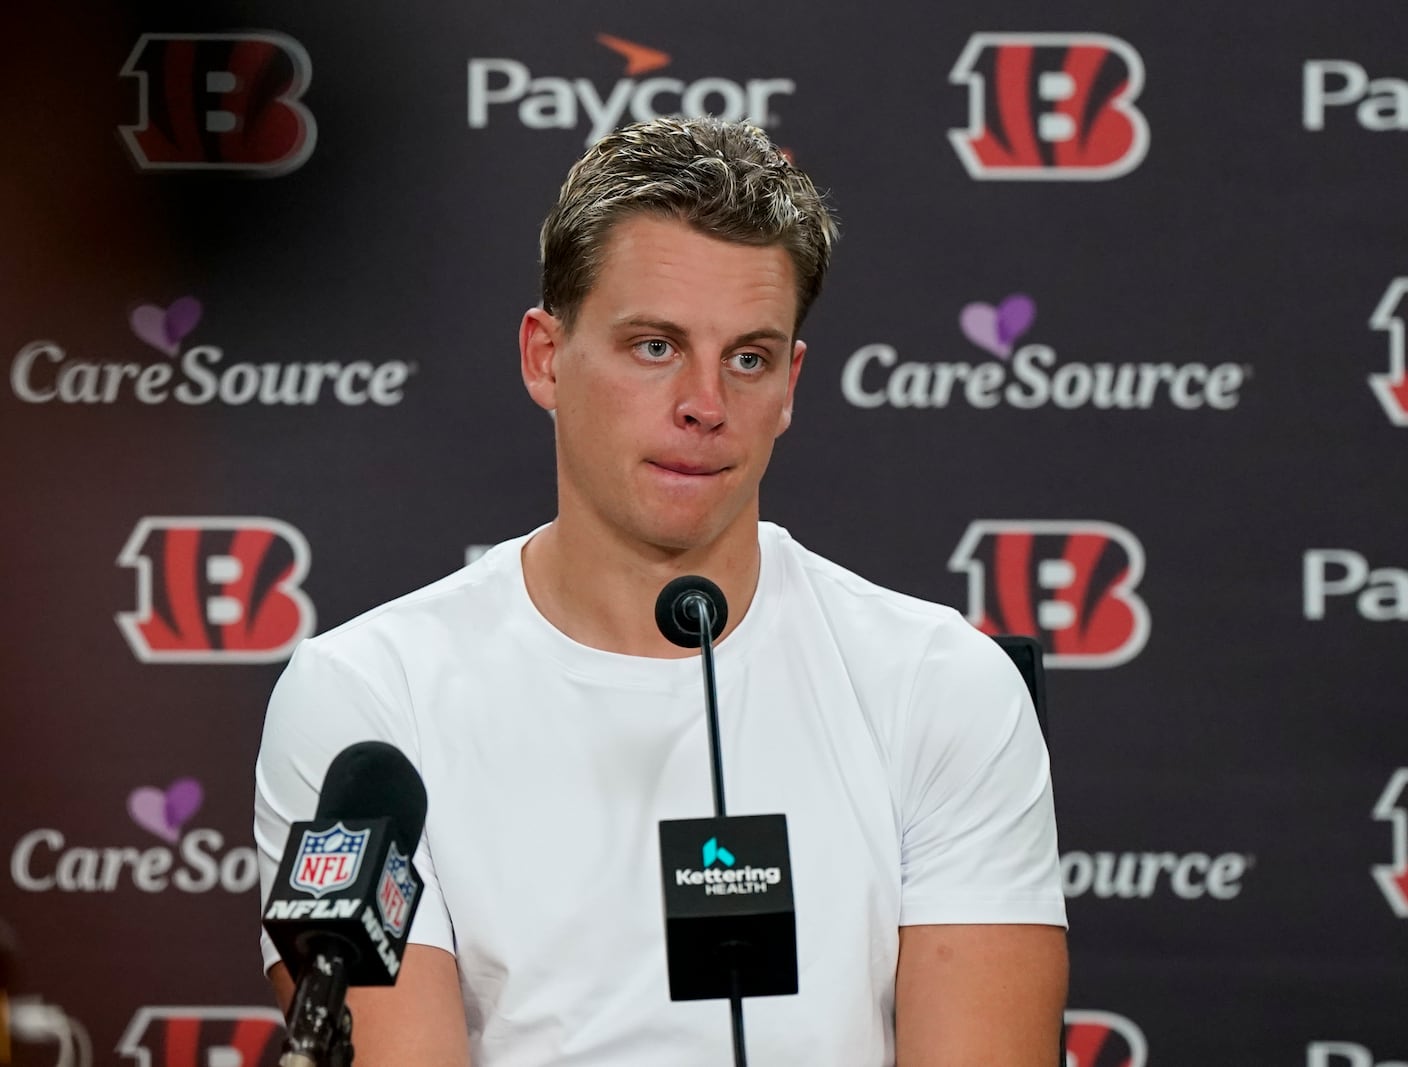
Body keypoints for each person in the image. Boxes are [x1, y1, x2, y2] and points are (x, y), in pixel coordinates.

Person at [254, 115, 1068, 1066]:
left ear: (792, 384)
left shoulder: (944, 686)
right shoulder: (368, 700)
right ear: (545, 357)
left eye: (750, 358)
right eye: (654, 346)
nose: (706, 404)